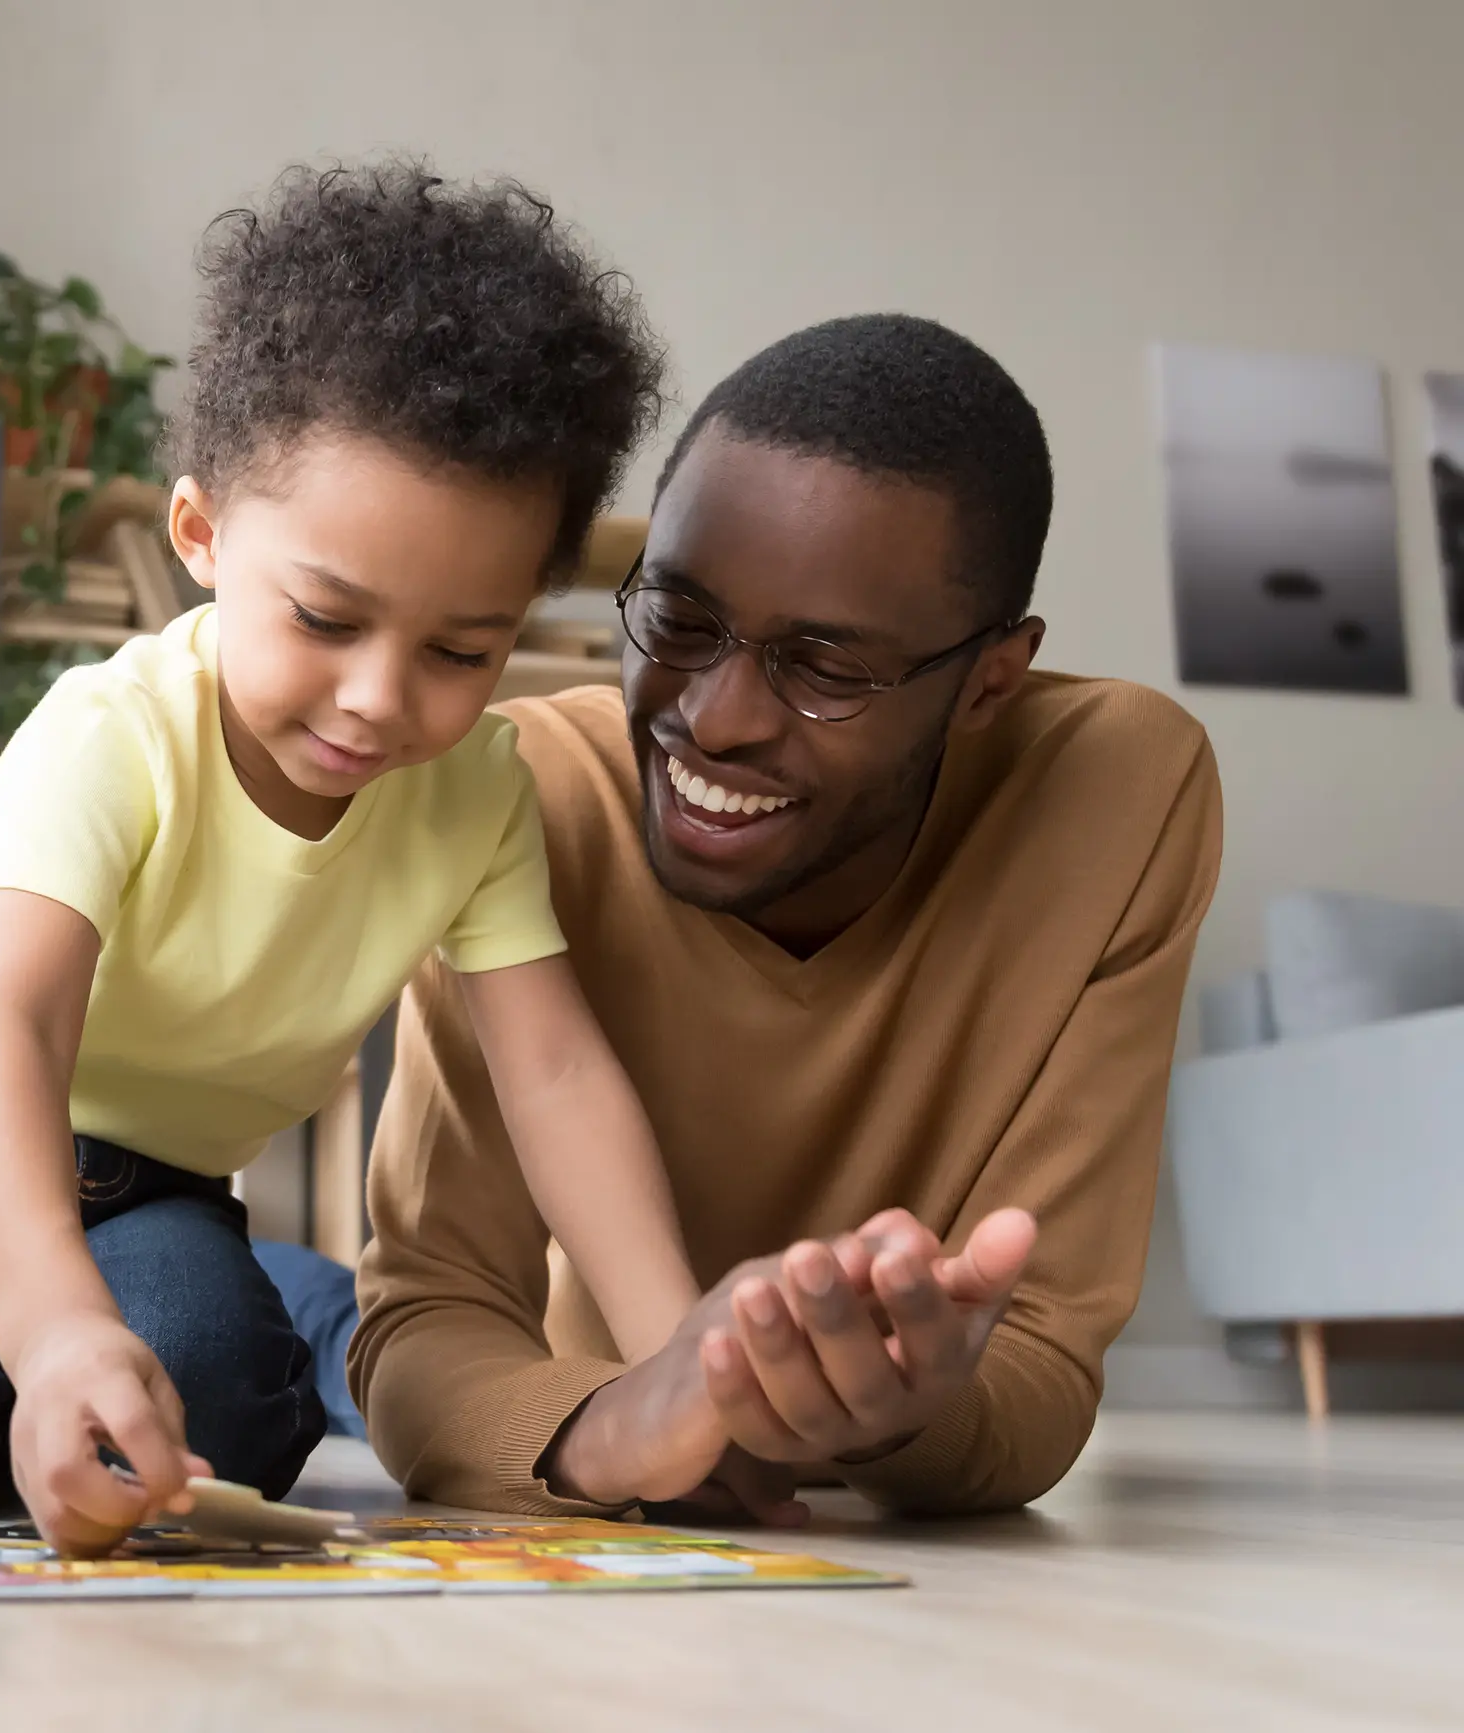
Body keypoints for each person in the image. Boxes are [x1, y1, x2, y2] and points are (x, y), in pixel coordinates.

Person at [0, 161, 694, 1554]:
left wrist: (683, 1364)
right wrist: (50, 1339)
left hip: (154, 1181)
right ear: (204, 533)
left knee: (222, 1409)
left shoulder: (478, 794)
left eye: (465, 649)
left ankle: (117, 1318)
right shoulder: (114, 731)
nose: (380, 701)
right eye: (327, 619)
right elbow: (15, 1023)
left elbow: (559, 1076)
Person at [274, 313, 1223, 1517]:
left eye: (825, 669)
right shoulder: (524, 796)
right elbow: (424, 1322)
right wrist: (612, 1425)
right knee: (283, 1342)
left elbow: (1037, 1372)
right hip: (573, 1379)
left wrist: (905, 1404)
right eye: (675, 621)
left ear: (989, 678)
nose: (714, 718)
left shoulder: (1116, 794)